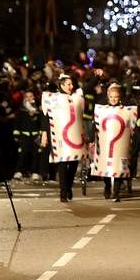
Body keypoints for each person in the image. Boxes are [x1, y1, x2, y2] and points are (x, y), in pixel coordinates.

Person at [41, 74, 79, 202]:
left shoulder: (75, 97)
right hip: (59, 136)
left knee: (74, 162)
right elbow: (46, 116)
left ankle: (68, 186)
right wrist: (45, 134)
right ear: (61, 86)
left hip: (73, 137)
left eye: (72, 84)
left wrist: (96, 77)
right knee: (62, 164)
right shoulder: (53, 99)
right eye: (68, 84)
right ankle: (63, 192)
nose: (71, 86)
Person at [99, 84, 127, 202]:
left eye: (116, 97)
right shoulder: (102, 110)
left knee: (119, 168)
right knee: (106, 167)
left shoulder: (125, 110)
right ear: (108, 97)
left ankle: (116, 192)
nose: (113, 99)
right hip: (106, 143)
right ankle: (107, 186)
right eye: (111, 97)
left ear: (119, 97)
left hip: (120, 144)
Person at [12, 90, 41, 182]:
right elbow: (17, 123)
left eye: (31, 96)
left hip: (35, 136)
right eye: (27, 97)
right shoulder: (21, 110)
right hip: (24, 136)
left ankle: (35, 172)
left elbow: (41, 124)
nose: (29, 98)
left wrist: (41, 135)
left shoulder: (38, 110)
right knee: (22, 154)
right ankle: (19, 171)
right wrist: (16, 135)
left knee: (36, 154)